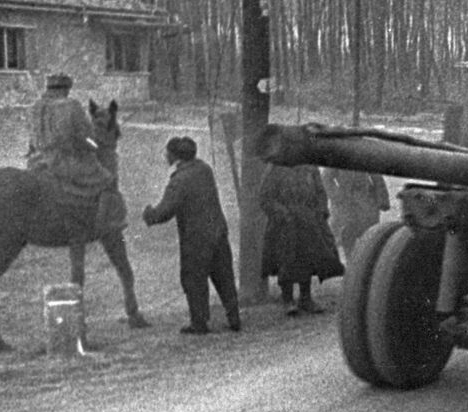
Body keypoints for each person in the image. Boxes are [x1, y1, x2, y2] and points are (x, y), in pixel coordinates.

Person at [142, 137, 240, 335]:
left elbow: (165, 211)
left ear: (176, 155)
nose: (165, 155)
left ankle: (199, 322)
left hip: (196, 238)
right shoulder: (205, 170)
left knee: (193, 280)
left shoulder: (179, 180)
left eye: (168, 152)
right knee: (224, 277)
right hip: (218, 232)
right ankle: (234, 318)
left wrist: (149, 215)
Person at [259, 163, 345, 315]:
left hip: (308, 220)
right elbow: (265, 198)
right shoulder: (276, 167)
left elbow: (320, 192)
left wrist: (321, 211)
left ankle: (306, 298)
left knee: (308, 259)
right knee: (286, 259)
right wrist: (282, 213)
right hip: (285, 224)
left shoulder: (310, 167)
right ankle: (288, 300)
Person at [26, 73, 115, 196]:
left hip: (36, 161)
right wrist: (94, 146)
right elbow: (84, 136)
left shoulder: (35, 107)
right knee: (106, 178)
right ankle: (102, 213)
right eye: (67, 89)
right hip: (64, 163)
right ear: (65, 89)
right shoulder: (72, 105)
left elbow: (31, 141)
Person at [324, 168, 391, 257]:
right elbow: (326, 179)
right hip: (347, 206)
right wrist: (338, 196)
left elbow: (377, 178)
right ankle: (351, 264)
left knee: (371, 238)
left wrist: (382, 199)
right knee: (348, 238)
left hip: (366, 202)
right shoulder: (339, 157)